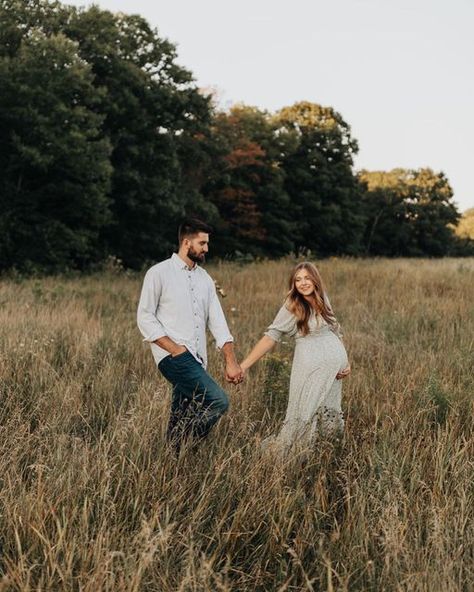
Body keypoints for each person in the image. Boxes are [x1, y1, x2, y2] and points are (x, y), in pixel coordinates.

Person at [137, 218, 243, 452]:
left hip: (197, 359)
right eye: (202, 243)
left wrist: (230, 361)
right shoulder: (159, 273)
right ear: (186, 242)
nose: (206, 248)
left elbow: (218, 321)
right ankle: (184, 443)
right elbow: (144, 316)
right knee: (218, 401)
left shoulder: (204, 278)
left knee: (181, 413)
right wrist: (175, 349)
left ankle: (172, 457)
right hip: (173, 356)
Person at [241, 261, 351, 453]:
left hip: (334, 371)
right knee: (304, 409)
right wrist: (243, 366)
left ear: (315, 279)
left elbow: (335, 329)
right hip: (308, 366)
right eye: (298, 279)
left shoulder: (322, 298)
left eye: (307, 278)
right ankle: (296, 454)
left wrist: (346, 361)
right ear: (293, 284)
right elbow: (270, 337)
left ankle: (324, 451)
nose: (303, 283)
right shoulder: (292, 305)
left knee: (328, 409)